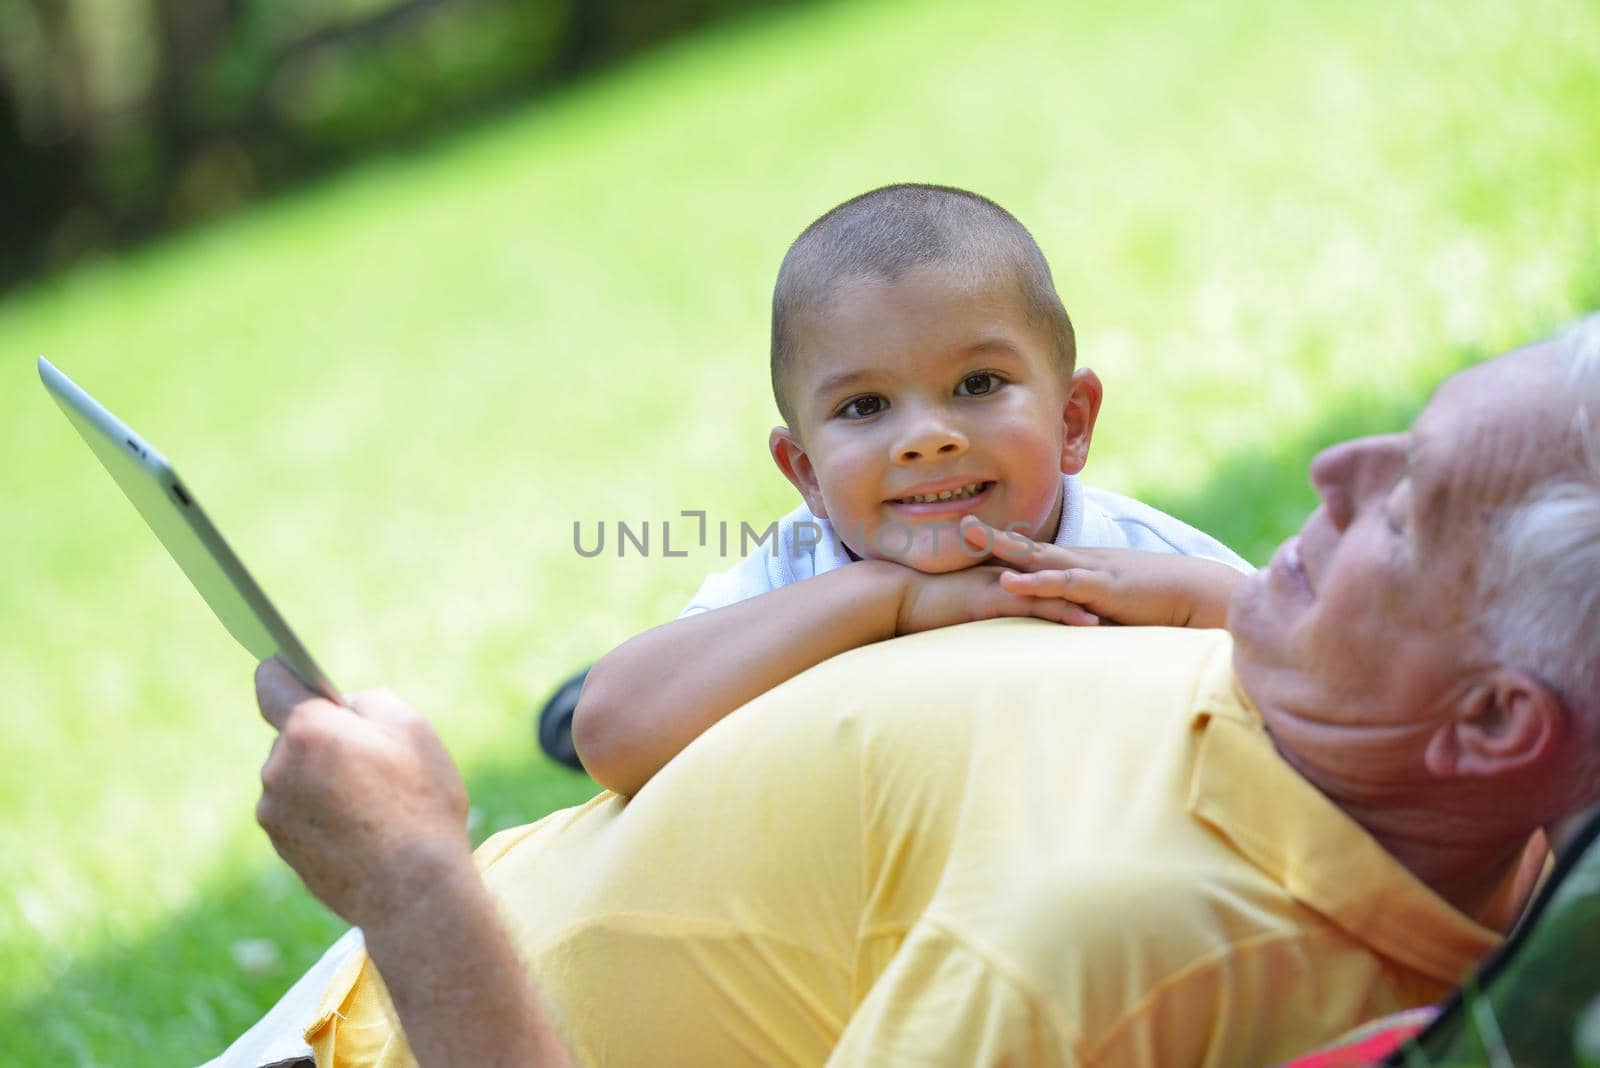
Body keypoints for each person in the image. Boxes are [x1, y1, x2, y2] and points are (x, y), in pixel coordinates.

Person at [249, 316, 1600, 1066]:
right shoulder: (1323, 705)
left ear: (1491, 724)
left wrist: (414, 887)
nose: (1332, 472)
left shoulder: (1090, 962)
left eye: (1411, 512)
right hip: (403, 973)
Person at [570, 183, 1248, 796]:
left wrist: (1192, 599)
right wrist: (889, 599)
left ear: (1070, 421)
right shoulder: (795, 570)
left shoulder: (1136, 565)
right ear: (806, 474)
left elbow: (1319, 661)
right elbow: (611, 732)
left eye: (977, 384)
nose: (926, 437)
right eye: (864, 406)